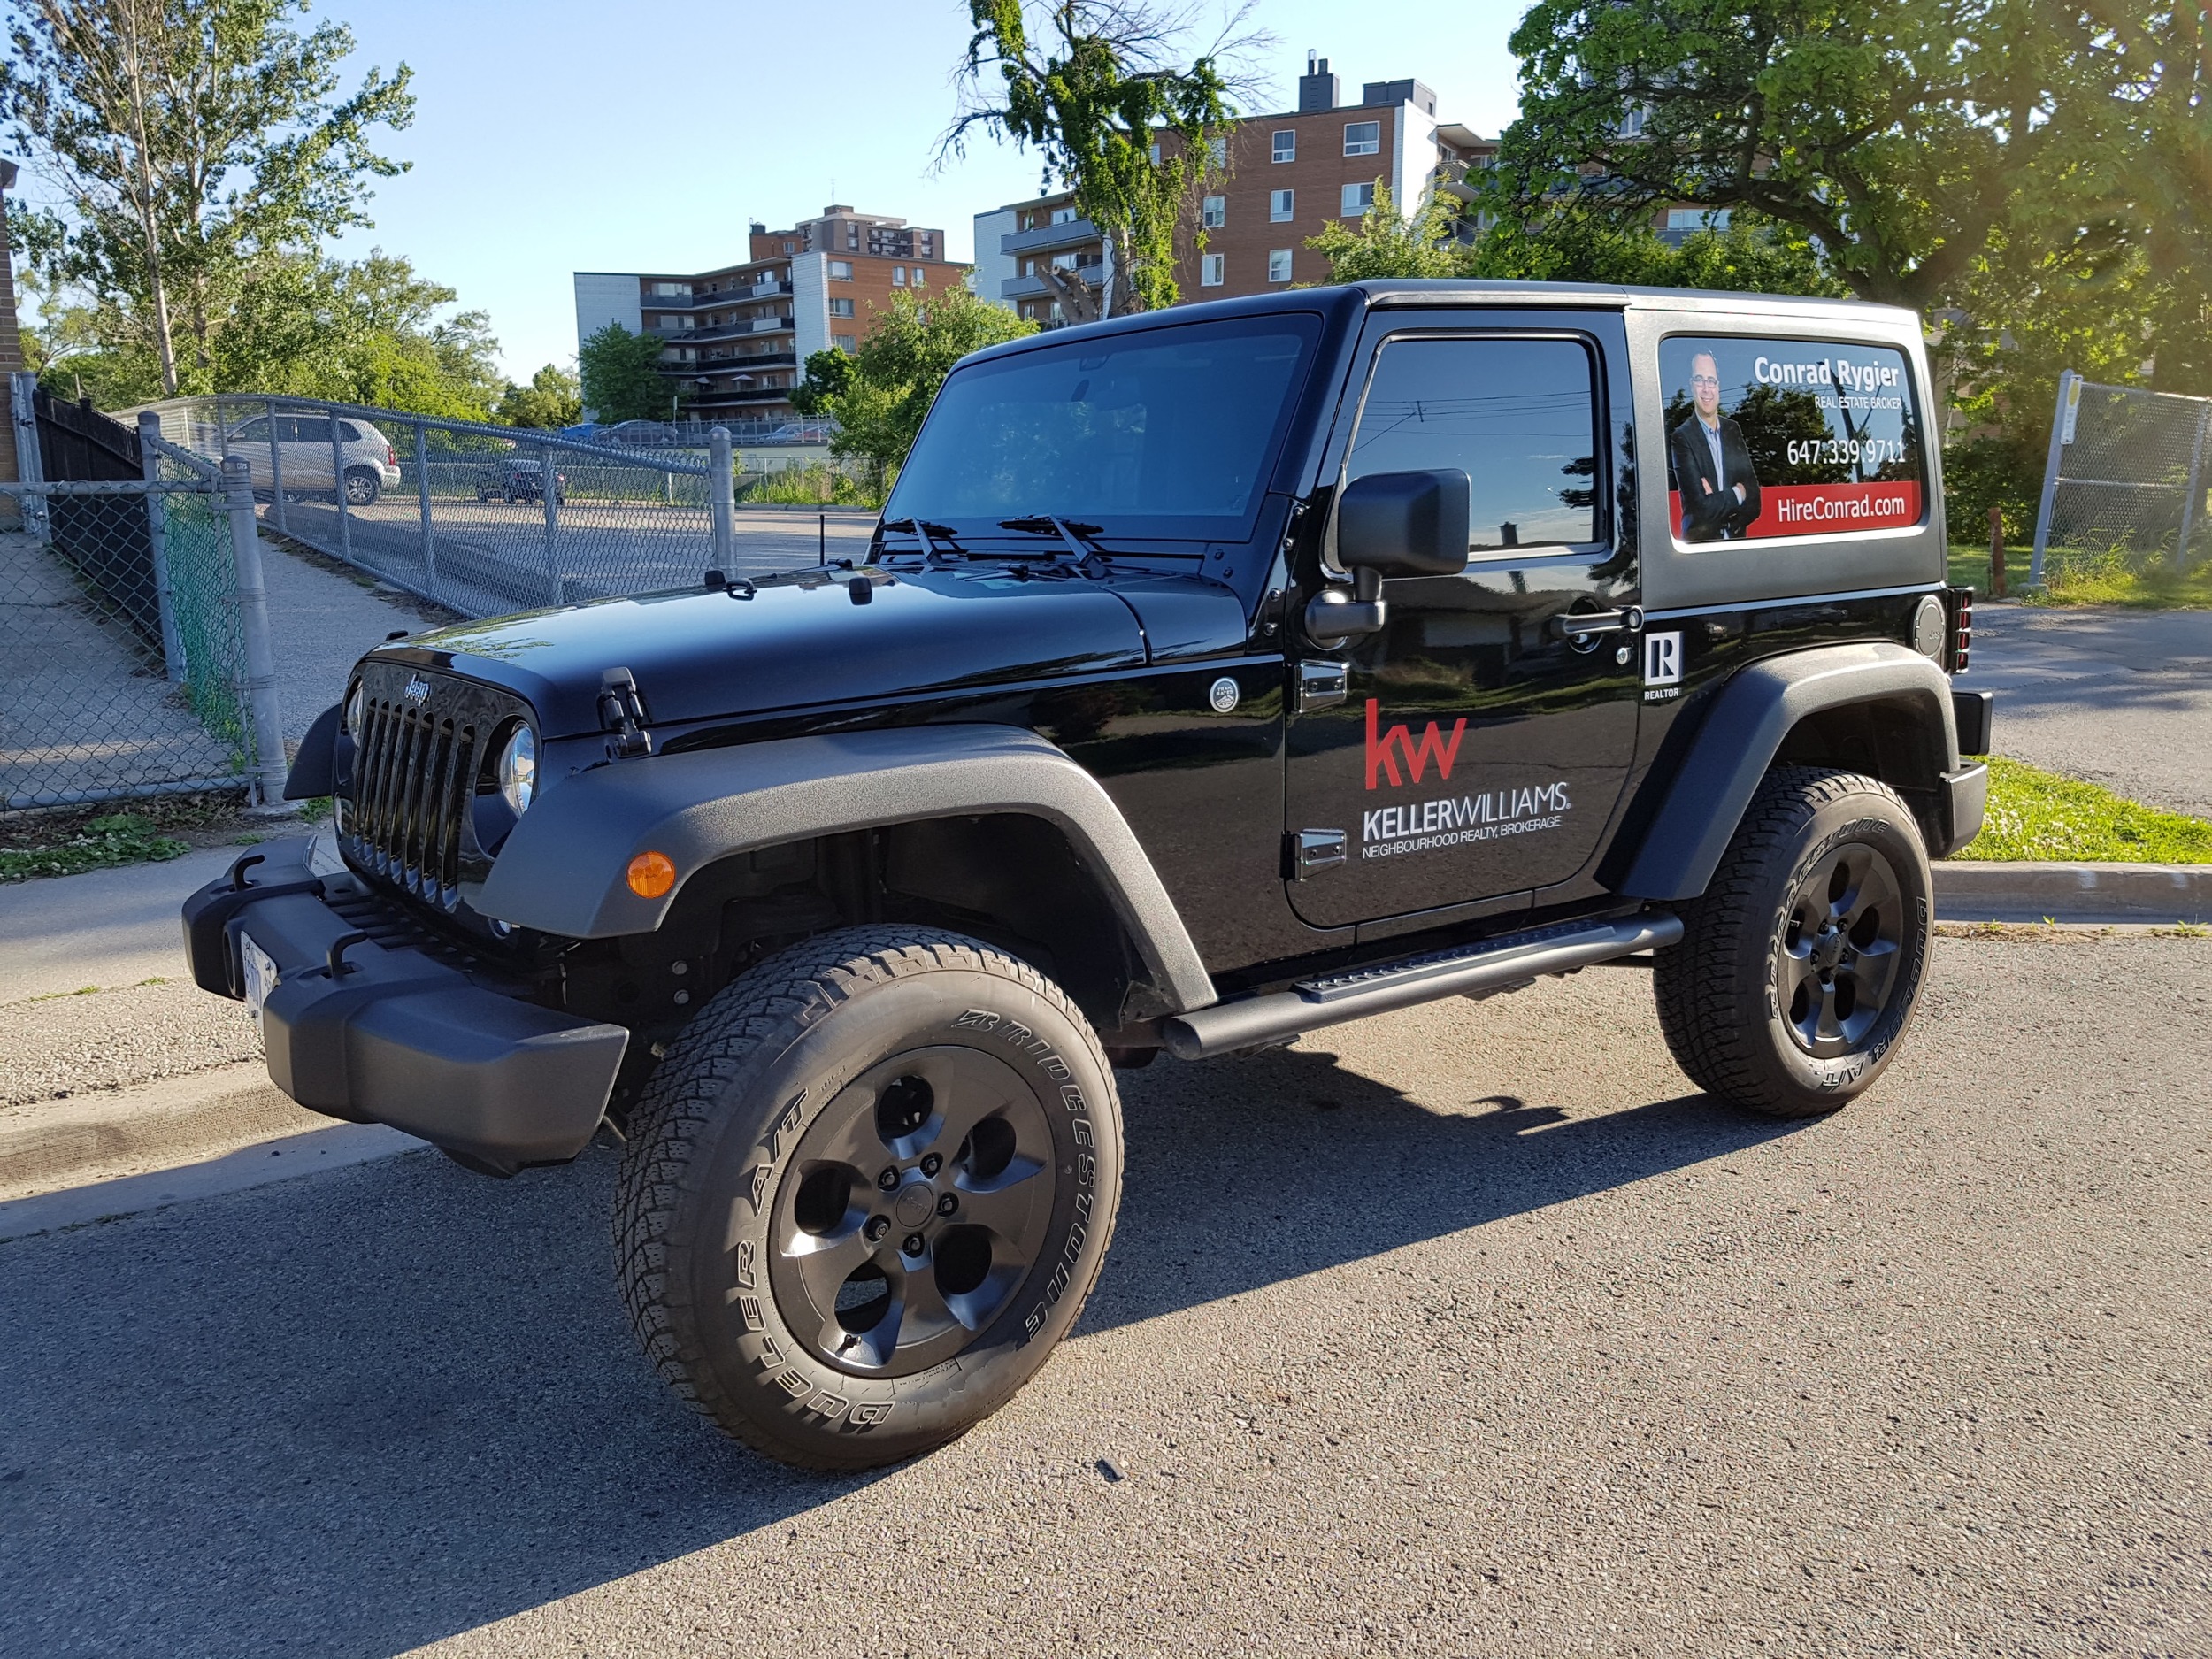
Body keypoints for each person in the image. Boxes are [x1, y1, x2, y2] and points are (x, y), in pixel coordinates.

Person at [1669, 352, 1763, 540]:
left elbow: (1755, 501)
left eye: (1711, 381)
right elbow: (1700, 509)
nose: (1706, 389)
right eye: (1699, 380)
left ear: (1718, 386)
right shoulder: (1682, 437)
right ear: (1691, 385)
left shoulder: (1732, 429)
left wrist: (1717, 504)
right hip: (1700, 549)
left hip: (1736, 545)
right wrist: (1738, 492)